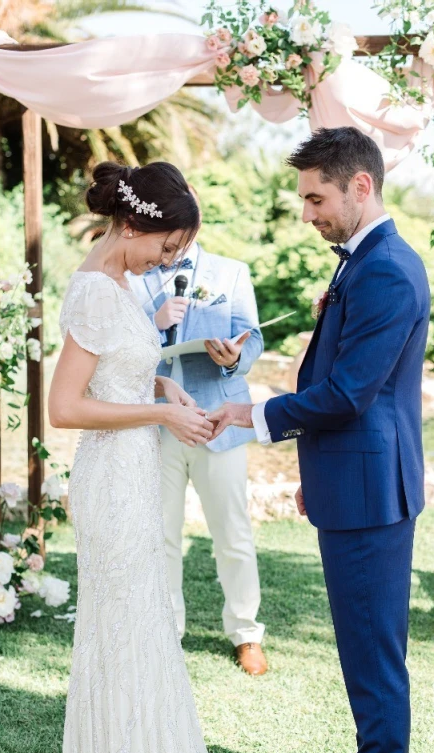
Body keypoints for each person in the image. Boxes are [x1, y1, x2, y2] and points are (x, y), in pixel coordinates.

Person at [207, 127, 431, 753]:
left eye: (316, 198)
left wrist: (255, 411)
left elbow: (349, 395)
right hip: (352, 481)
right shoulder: (361, 258)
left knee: (373, 651)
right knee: (364, 646)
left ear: (361, 186)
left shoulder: (386, 268)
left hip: (372, 492)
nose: (307, 214)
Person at [48, 161, 223, 753]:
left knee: (142, 619)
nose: (167, 260)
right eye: (166, 246)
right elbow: (64, 407)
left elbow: (116, 368)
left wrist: (162, 382)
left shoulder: (123, 282)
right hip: (111, 478)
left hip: (134, 471)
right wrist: (160, 412)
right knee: (122, 623)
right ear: (128, 225)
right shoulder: (95, 289)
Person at [127, 187, 267, 676]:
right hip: (156, 422)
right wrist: (154, 318)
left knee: (232, 531)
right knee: (161, 531)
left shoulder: (231, 272)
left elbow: (254, 336)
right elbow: (119, 340)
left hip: (217, 420)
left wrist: (235, 357)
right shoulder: (137, 276)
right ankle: (168, 632)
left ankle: (246, 632)